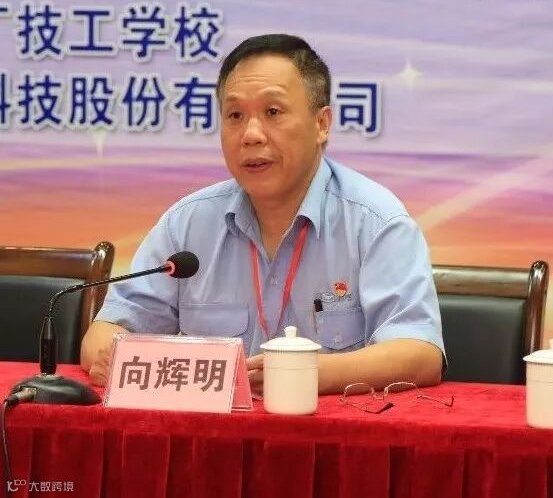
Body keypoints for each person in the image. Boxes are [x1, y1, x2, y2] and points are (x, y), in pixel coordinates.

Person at [81, 34, 444, 393]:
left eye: (273, 112)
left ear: (322, 124)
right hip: (211, 428)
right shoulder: (187, 224)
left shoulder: (376, 222)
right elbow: (107, 330)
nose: (251, 134)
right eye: (235, 115)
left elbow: (419, 353)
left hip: (328, 426)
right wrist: (113, 357)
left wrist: (302, 373)